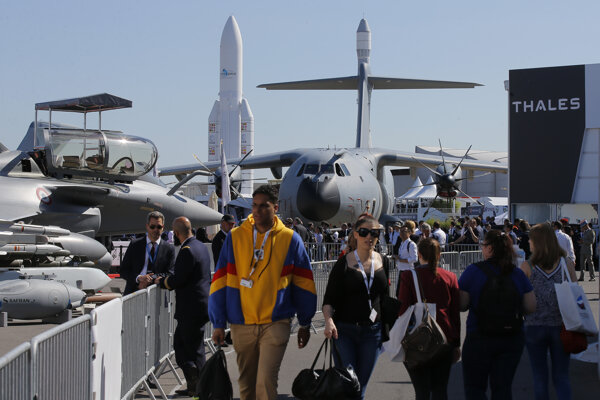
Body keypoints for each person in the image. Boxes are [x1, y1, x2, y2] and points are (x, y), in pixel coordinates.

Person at [209, 185, 316, 400]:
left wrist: (305, 322)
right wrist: (218, 323)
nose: (256, 211)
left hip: (276, 322)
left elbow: (304, 284)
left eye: (263, 206)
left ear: (275, 208)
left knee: (266, 382)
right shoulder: (235, 237)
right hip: (241, 323)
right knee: (247, 385)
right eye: (254, 206)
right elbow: (219, 281)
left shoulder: (290, 239)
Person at [459, 230, 536, 399]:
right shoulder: (517, 274)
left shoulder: (473, 271)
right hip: (511, 337)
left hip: (479, 335)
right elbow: (531, 306)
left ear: (490, 248)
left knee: (475, 388)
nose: (481, 248)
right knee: (503, 388)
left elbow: (462, 304)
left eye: (483, 245)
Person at [323, 214, 390, 400]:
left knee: (360, 387)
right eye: (364, 232)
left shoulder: (384, 261)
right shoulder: (343, 264)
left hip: (373, 333)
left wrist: (389, 331)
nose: (369, 237)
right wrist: (329, 321)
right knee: (349, 385)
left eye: (375, 233)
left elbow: (385, 298)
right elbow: (329, 299)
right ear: (355, 234)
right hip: (345, 332)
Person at [397, 238, 461, 400]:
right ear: (439, 255)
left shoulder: (409, 276)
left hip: (418, 339)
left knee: (422, 391)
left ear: (419, 254)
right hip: (444, 337)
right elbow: (455, 313)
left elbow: (403, 310)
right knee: (440, 389)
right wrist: (456, 343)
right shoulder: (450, 277)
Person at [154, 217, 212, 396]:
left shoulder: (187, 250)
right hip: (200, 305)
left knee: (189, 350)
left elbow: (178, 279)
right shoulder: (200, 246)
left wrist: (161, 281)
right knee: (188, 346)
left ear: (176, 234)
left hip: (191, 308)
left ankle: (201, 387)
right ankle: (196, 385)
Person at [519, 223, 577, 400]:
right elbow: (575, 292)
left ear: (537, 242)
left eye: (531, 239)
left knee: (539, 376)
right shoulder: (566, 264)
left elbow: (521, 297)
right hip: (562, 325)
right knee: (561, 376)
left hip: (534, 325)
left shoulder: (527, 266)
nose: (528, 242)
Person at [120, 211, 175, 296]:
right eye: (152, 227)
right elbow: (123, 270)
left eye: (159, 227)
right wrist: (139, 279)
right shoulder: (135, 244)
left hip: (156, 295)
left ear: (163, 228)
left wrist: (152, 280)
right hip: (134, 292)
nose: (156, 230)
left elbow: (170, 273)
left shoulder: (169, 248)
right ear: (147, 226)